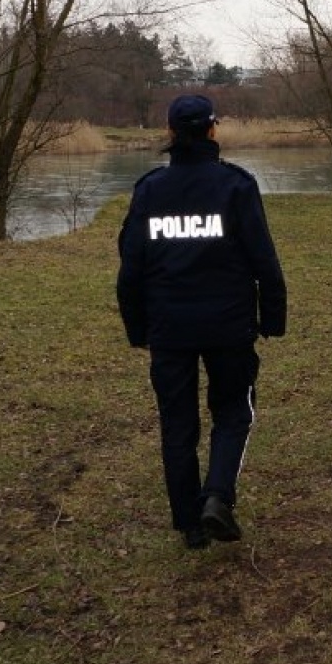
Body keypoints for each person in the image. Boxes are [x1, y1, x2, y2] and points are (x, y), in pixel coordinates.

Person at [117, 94, 287, 550]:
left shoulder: (150, 190)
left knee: (178, 423)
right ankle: (217, 497)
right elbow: (263, 260)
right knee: (232, 412)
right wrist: (272, 318)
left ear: (171, 132)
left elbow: (130, 267)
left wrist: (138, 329)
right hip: (228, 326)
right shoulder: (236, 186)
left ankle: (190, 525)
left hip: (169, 329)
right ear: (212, 130)